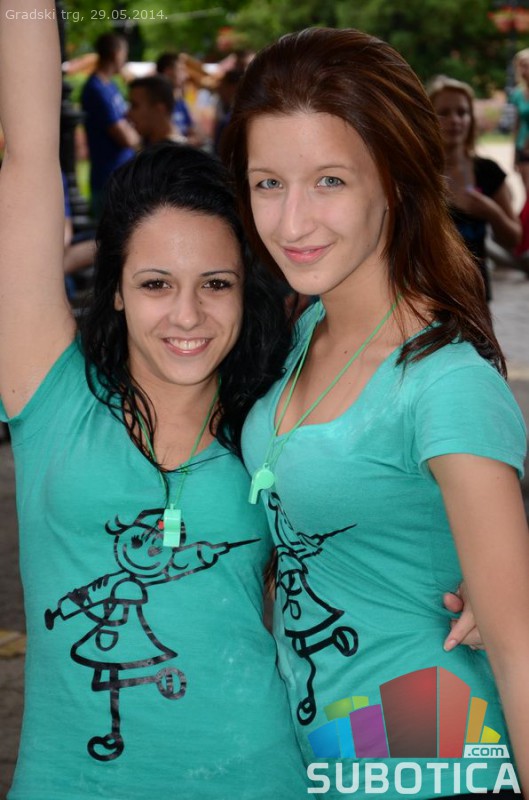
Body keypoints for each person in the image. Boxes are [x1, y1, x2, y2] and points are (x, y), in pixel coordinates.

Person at [0, 4, 307, 796]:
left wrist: (463, 588)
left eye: (216, 284)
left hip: (259, 778)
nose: (187, 316)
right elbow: (27, 154)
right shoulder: (50, 394)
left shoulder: (281, 422)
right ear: (115, 292)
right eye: (156, 284)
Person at [222, 27, 529, 796]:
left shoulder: (442, 382)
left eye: (329, 181)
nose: (291, 222)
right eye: (267, 183)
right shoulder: (307, 331)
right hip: (327, 755)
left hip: (432, 760)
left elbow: (518, 647)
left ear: (393, 181)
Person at [428, 75, 521, 301]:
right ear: (428, 117)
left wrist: (492, 212)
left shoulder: (488, 171)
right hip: (425, 295)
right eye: (444, 112)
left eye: (462, 112)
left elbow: (514, 239)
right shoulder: (417, 173)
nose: (455, 120)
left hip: (474, 296)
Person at [81, 32, 140, 220]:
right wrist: (139, 137)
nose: (125, 60)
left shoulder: (111, 86)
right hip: (108, 179)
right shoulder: (96, 89)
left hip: (122, 176)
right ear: (116, 54)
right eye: (124, 54)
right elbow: (125, 136)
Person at [156, 51, 205, 147]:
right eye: (181, 70)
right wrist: (188, 142)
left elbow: (199, 135)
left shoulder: (180, 102)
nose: (186, 75)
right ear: (168, 71)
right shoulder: (155, 104)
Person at [127, 75, 186, 146]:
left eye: (135, 106)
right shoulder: (150, 146)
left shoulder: (175, 152)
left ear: (159, 110)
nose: (128, 113)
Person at [510, 48, 529, 201]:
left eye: (527, 65)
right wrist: (514, 154)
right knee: (526, 192)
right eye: (521, 66)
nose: (524, 70)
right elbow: (516, 124)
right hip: (522, 146)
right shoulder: (517, 94)